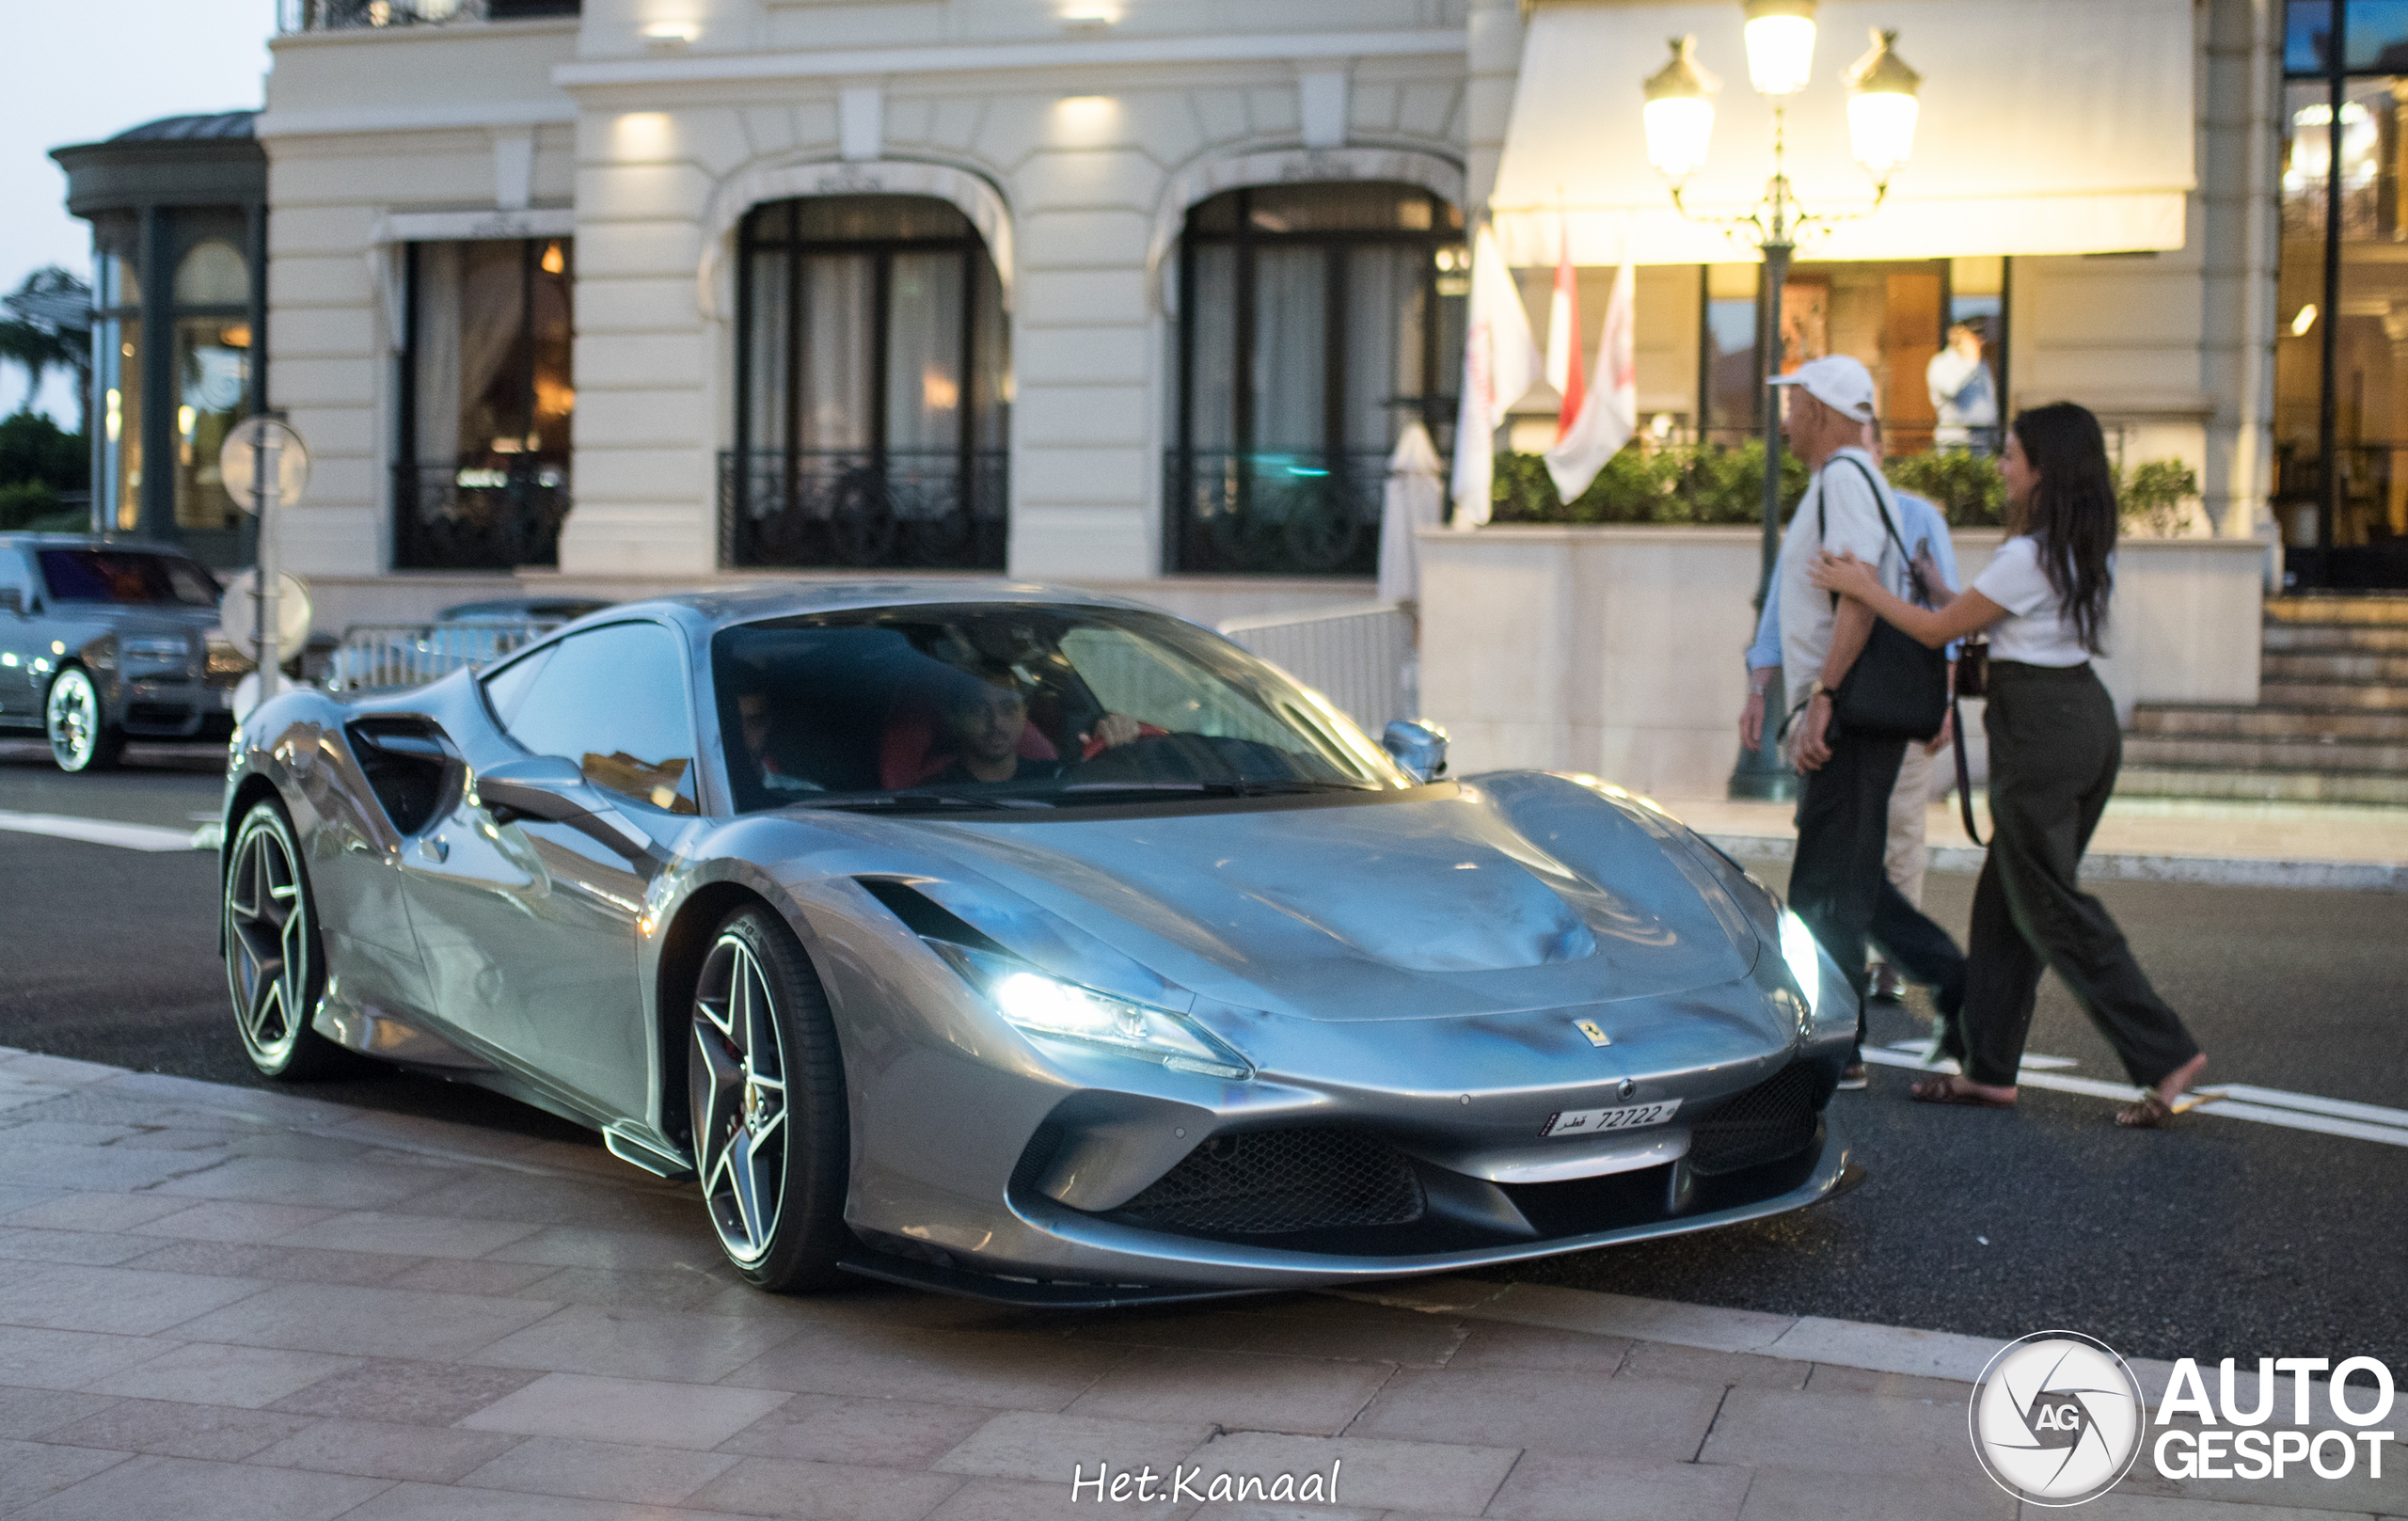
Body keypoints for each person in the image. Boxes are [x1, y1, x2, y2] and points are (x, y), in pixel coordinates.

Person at [1808, 401, 2210, 1128]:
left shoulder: (2027, 555)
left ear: (2042, 471)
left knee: (2049, 901)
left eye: (2012, 455)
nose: (2002, 466)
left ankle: (2162, 1051)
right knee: (2007, 903)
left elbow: (1937, 630)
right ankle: (1989, 1070)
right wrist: (1936, 586)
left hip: (2043, 734)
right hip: (2081, 720)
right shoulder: (2078, 546)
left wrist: (1867, 589)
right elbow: (1983, 613)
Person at [1756, 355, 1966, 1090]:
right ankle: (1954, 981)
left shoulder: (1844, 478)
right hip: (1859, 705)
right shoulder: (1853, 479)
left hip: (1848, 704)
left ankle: (1838, 1046)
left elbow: (1858, 594)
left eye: (1794, 405)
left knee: (1824, 884)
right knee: (1850, 876)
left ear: (1821, 410)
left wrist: (1825, 697)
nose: (1786, 419)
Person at [924, 664, 1140, 786]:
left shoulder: (1055, 776)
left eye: (1008, 708)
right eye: (978, 710)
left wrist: (1114, 750)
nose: (996, 722)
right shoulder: (935, 794)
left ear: (1024, 713)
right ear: (956, 718)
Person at [1926, 319, 1998, 451]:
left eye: (1981, 336)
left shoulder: (1981, 365)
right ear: (1955, 336)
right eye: (1974, 335)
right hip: (1955, 442)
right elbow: (1951, 389)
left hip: (1982, 441)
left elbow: (1990, 400)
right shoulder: (1940, 363)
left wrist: (1995, 438)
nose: (1981, 341)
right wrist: (1970, 363)